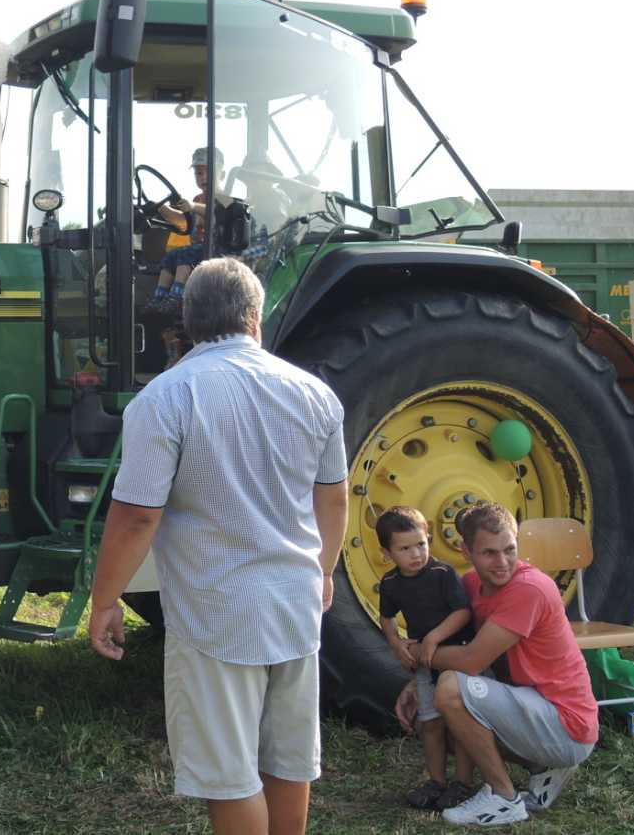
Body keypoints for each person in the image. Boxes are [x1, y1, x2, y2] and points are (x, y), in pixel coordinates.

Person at [88, 257, 349, 835]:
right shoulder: (315, 394)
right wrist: (324, 571)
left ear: (188, 320)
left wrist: (105, 600)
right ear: (255, 318)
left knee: (230, 777)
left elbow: (136, 517)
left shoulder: (164, 397)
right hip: (296, 603)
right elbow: (332, 501)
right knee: (287, 761)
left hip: (215, 614)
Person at [394, 502, 599, 826]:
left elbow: (471, 660)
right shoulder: (471, 584)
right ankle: (542, 768)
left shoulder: (529, 589)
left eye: (510, 550)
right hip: (533, 705)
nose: (502, 563)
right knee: (439, 725)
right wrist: (416, 682)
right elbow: (455, 643)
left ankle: (504, 798)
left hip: (565, 723)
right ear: (466, 551)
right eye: (489, 553)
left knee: (450, 690)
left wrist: (419, 652)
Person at [375, 506, 477, 810]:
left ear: (429, 537)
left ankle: (462, 783)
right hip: (423, 661)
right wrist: (395, 643)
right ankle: (436, 781)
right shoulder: (391, 583)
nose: (416, 553)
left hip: (455, 653)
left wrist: (433, 637)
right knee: (430, 722)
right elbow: (386, 617)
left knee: (460, 721)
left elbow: (462, 612)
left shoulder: (442, 573)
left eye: (421, 543)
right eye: (404, 548)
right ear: (386, 552)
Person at [147, 147, 239, 314]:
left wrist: (194, 207)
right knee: (170, 258)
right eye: (198, 173)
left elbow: (214, 212)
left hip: (218, 249)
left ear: (222, 175)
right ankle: (159, 297)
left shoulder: (225, 199)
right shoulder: (197, 199)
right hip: (198, 248)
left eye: (208, 172)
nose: (202, 177)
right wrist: (161, 208)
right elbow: (185, 222)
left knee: (184, 256)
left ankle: (176, 297)